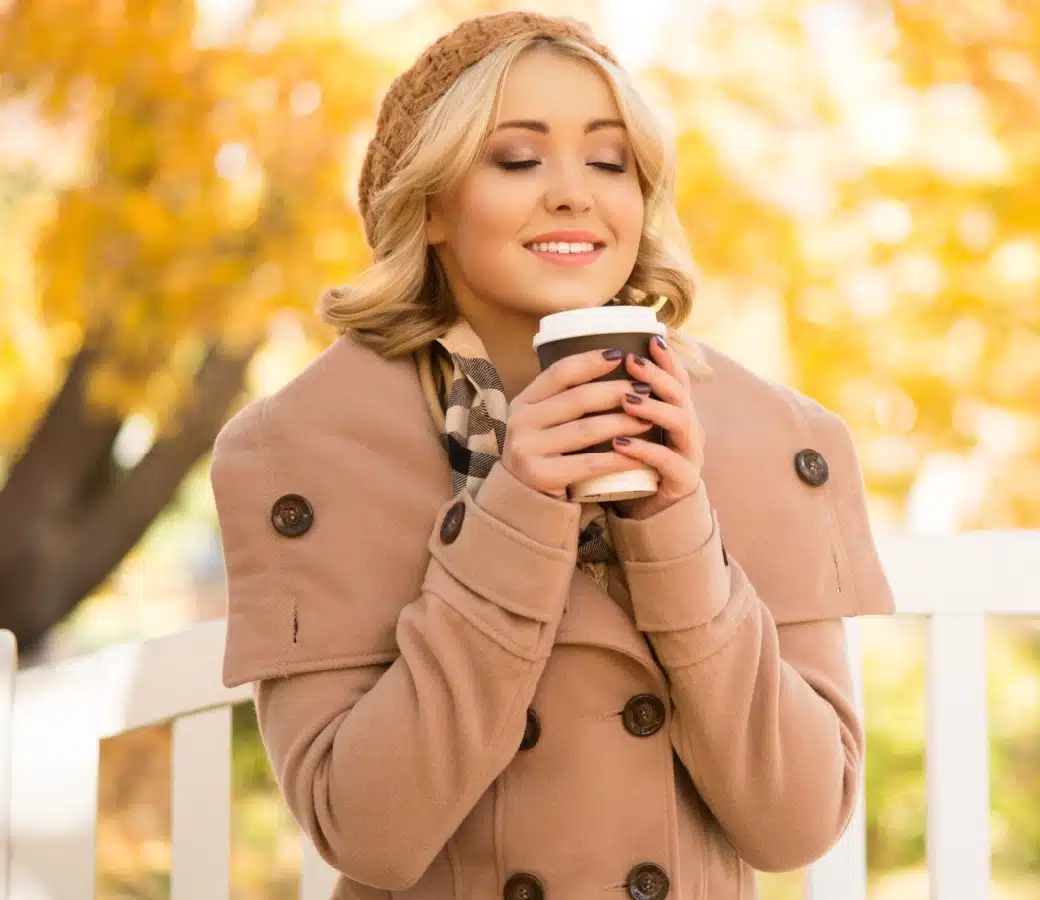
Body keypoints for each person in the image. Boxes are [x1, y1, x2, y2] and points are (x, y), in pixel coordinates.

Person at [210, 10, 895, 900]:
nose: (574, 193)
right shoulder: (308, 446)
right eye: (516, 159)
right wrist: (518, 508)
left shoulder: (772, 437)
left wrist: (675, 527)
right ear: (430, 205)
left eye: (609, 161)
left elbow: (796, 823)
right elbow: (368, 835)